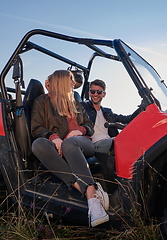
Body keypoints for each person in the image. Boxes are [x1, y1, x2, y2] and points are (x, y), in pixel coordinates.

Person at [30, 70, 109, 227]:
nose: (74, 83)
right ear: (60, 81)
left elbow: (89, 126)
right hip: (57, 143)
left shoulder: (76, 103)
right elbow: (36, 128)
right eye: (71, 80)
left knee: (70, 143)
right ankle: (86, 190)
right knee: (38, 144)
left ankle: (93, 202)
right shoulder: (42, 101)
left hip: (82, 143)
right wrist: (54, 137)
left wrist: (79, 130)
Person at [81, 79, 144, 154]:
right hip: (94, 144)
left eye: (99, 92)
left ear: (103, 94)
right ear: (89, 93)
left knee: (138, 139)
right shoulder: (83, 107)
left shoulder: (107, 112)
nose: (95, 94)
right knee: (123, 142)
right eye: (92, 91)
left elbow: (127, 119)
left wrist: (141, 109)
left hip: (110, 141)